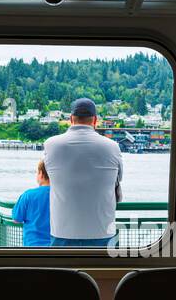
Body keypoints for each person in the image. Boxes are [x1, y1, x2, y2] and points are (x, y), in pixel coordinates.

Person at [41, 98, 123, 247]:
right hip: (103, 231)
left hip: (62, 231)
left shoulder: (51, 144)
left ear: (71, 119)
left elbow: (48, 175)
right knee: (102, 270)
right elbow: (118, 179)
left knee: (63, 271)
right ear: (95, 120)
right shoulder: (112, 147)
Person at [11, 160, 52, 247]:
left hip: (32, 247)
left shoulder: (28, 195)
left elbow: (16, 219)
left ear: (41, 173)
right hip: (55, 247)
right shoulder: (61, 196)